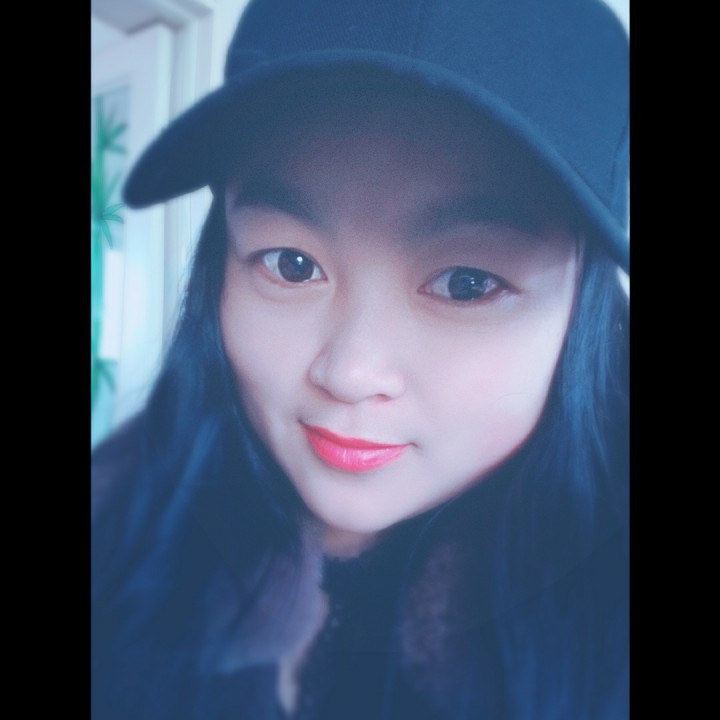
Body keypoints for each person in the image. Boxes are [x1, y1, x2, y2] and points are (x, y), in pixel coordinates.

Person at [91, 1, 629, 718]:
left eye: (466, 284)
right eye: (290, 264)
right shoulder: (117, 515)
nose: (348, 372)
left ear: (583, 306)